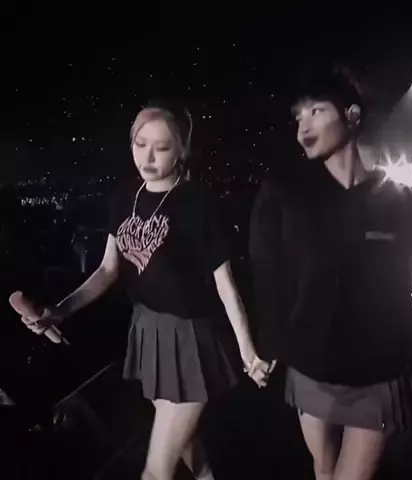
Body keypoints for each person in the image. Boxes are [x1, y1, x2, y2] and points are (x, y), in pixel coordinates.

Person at [20, 100, 273, 480]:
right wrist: (60, 310)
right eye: (141, 144)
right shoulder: (126, 196)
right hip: (148, 333)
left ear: (181, 151)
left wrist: (248, 352)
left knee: (156, 470)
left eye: (162, 147)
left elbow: (226, 286)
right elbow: (107, 270)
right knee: (188, 448)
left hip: (190, 342)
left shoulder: (196, 203)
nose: (148, 157)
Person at [249, 70, 412, 480]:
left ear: (352, 115)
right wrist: (266, 347)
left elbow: (399, 299)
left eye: (316, 111)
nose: (304, 126)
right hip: (309, 369)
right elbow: (268, 278)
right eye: (298, 117)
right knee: (322, 470)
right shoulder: (284, 194)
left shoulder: (402, 204)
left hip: (376, 377)